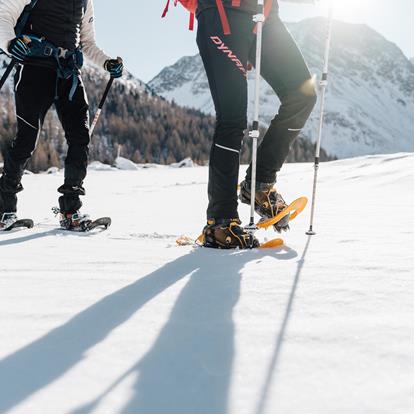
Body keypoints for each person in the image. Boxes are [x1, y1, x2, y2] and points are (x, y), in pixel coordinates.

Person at [196, 0, 317, 248]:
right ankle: (221, 222)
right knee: (232, 117)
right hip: (223, 12)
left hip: (266, 13)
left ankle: (259, 185)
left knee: (302, 95)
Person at [0, 0, 123, 230]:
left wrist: (107, 63)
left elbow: (86, 43)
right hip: (34, 68)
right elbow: (3, 15)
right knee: (27, 139)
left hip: (68, 73)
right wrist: (10, 42)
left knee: (80, 138)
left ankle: (70, 210)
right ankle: (4, 209)